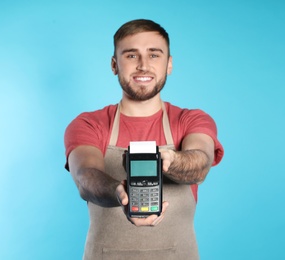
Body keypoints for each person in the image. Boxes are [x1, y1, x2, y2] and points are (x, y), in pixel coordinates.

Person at [64, 19, 224, 260]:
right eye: (131, 56)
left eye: (154, 55)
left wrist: (171, 160)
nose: (143, 66)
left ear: (169, 64)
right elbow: (85, 177)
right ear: (114, 65)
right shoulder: (89, 124)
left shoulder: (191, 120)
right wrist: (120, 192)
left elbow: (200, 164)